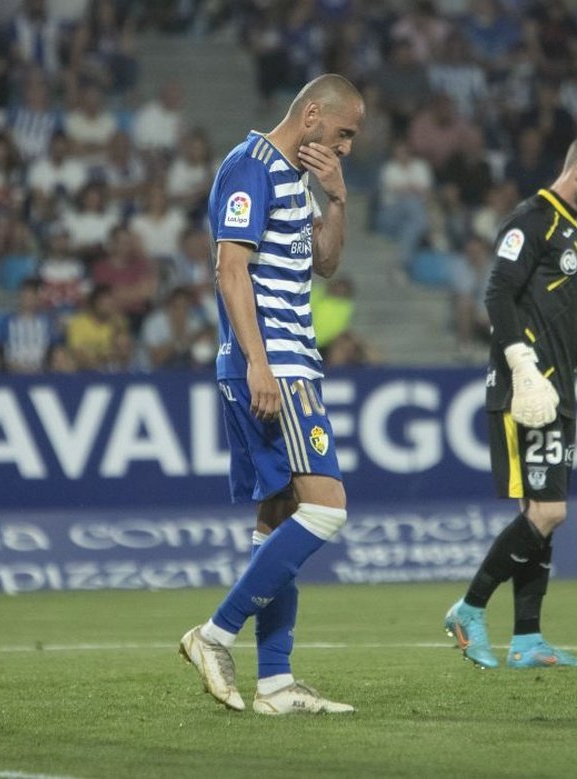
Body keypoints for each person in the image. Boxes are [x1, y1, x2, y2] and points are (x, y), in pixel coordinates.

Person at [178, 74, 364, 716]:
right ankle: (213, 634)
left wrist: (337, 201)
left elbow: (326, 263)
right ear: (311, 115)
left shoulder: (298, 177)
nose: (345, 148)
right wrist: (258, 361)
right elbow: (230, 268)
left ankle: (276, 684)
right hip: (273, 365)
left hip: (294, 362)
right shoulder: (250, 166)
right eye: (343, 134)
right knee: (327, 507)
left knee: (280, 514)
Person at [443, 132, 577, 670]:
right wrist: (523, 368)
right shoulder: (533, 218)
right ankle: (469, 608)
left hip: (557, 389)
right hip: (525, 390)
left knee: (540, 513)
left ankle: (528, 638)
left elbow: (564, 324)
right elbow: (497, 293)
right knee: (550, 511)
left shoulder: (574, 233)